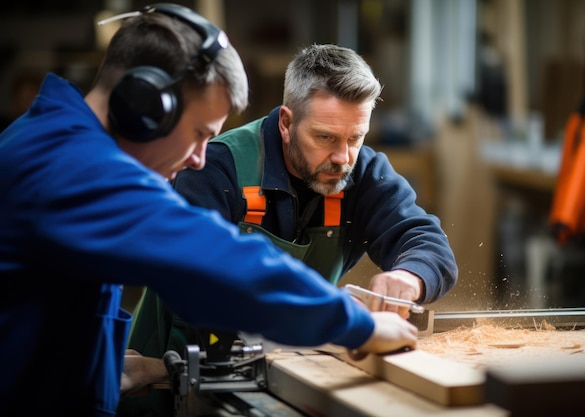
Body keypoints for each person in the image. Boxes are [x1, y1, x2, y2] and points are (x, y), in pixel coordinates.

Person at [0, 4, 420, 417]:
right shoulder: (70, 168)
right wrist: (360, 326)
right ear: (144, 108)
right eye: (199, 134)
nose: (200, 158)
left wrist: (98, 366)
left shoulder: (53, 141)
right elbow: (214, 264)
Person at [118, 43, 458, 416]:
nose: (342, 157)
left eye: (355, 138)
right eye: (325, 137)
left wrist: (410, 276)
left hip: (288, 360)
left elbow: (424, 239)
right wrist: (345, 322)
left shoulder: (361, 172)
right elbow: (210, 288)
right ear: (285, 122)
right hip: (171, 370)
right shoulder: (216, 168)